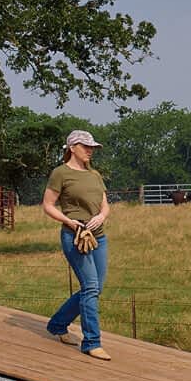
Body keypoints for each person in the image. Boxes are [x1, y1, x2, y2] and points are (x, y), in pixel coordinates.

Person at [41, 130, 113, 358]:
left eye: (92, 147)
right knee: (91, 287)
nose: (90, 150)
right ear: (72, 148)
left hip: (98, 237)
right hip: (75, 237)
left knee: (94, 288)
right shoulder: (60, 173)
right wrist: (69, 222)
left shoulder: (95, 175)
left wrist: (102, 217)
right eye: (86, 146)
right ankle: (92, 342)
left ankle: (57, 325)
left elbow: (105, 205)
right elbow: (48, 205)